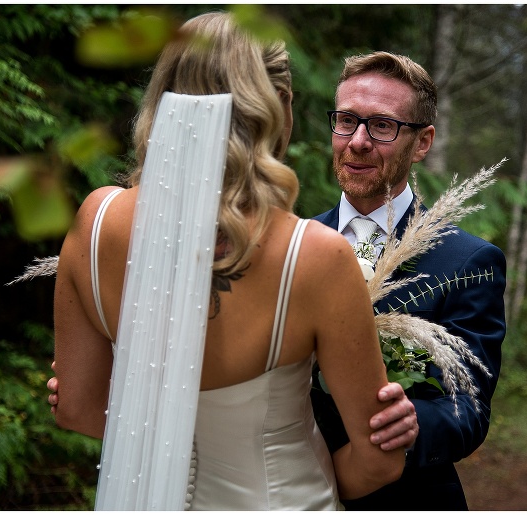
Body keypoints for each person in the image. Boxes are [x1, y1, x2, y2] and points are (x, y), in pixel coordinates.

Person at [51, 12, 414, 510]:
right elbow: (380, 461)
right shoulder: (315, 255)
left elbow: (75, 409)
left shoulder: (95, 220)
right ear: (279, 104)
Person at [310, 51, 507, 510]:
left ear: (422, 143)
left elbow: (470, 407)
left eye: (382, 126)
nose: (358, 141)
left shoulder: (468, 261)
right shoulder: (293, 243)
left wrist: (414, 421)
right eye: (346, 121)